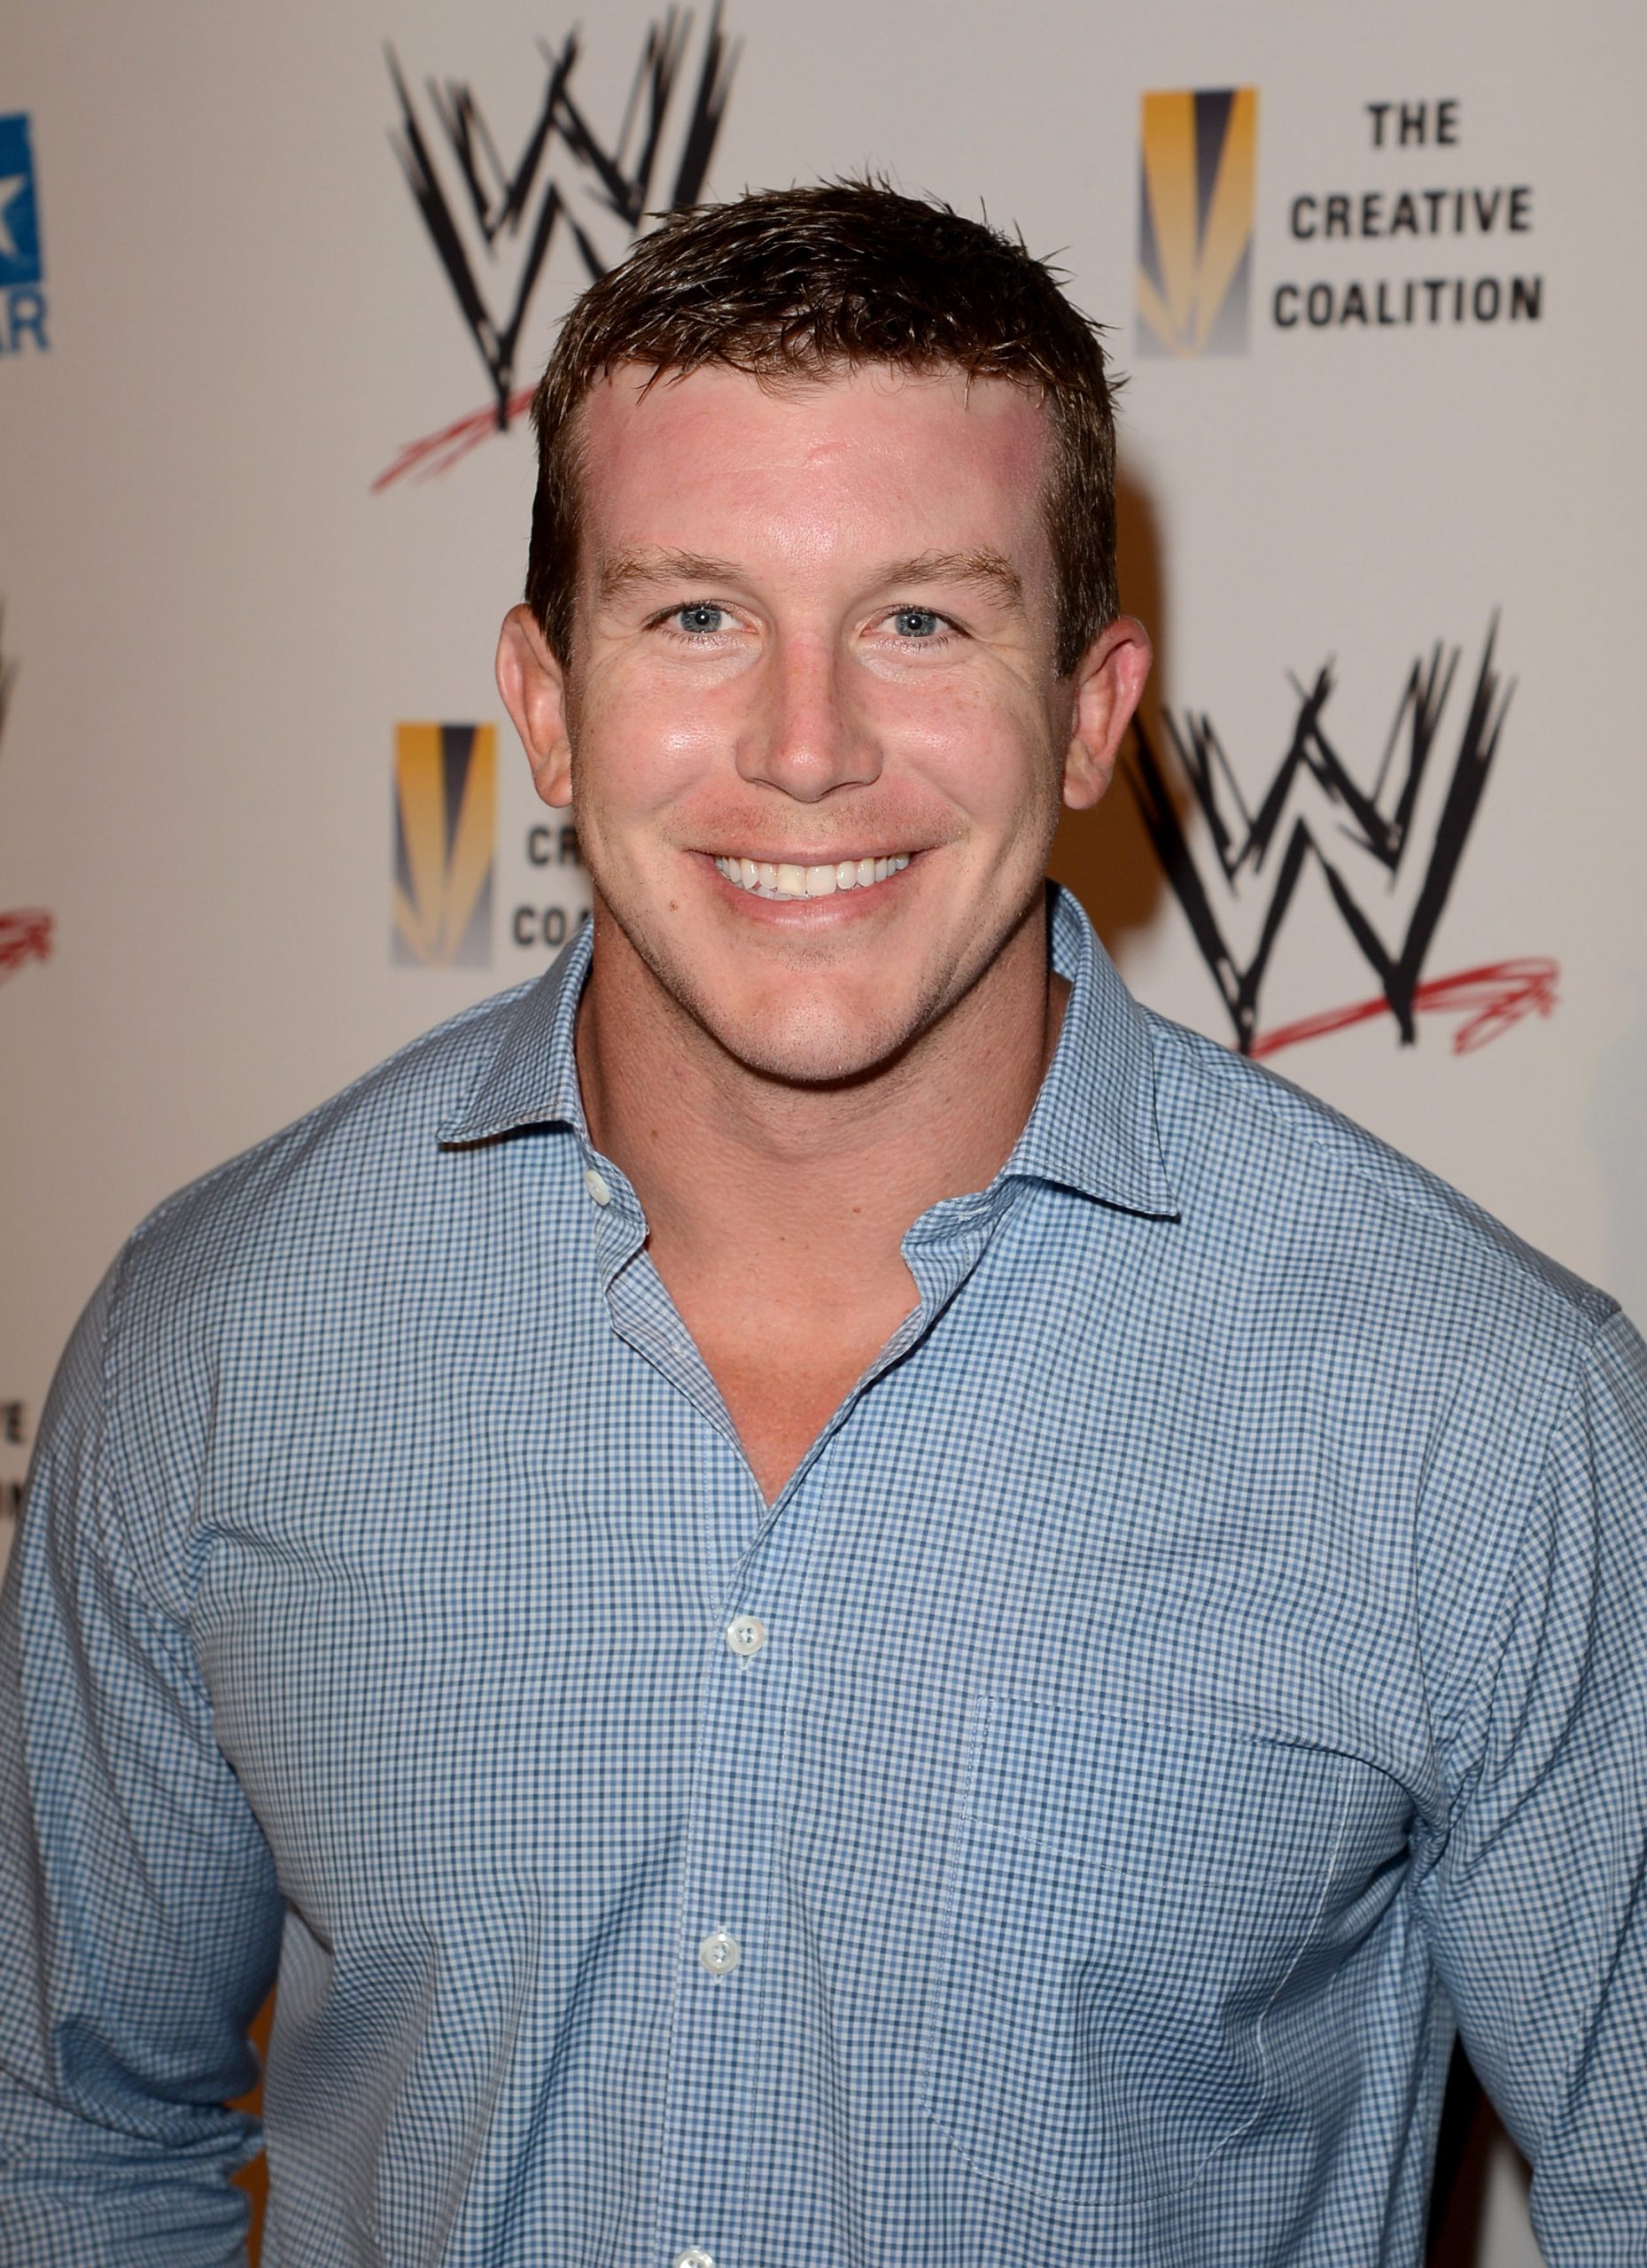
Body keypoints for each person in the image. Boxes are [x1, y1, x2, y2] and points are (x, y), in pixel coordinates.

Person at [1, 180, 1643, 2268]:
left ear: (1093, 712)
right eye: (697, 615)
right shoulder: (217, 1338)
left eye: (921, 620)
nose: (806, 748)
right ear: (543, 701)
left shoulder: (1484, 1411)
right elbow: (71, 2145)